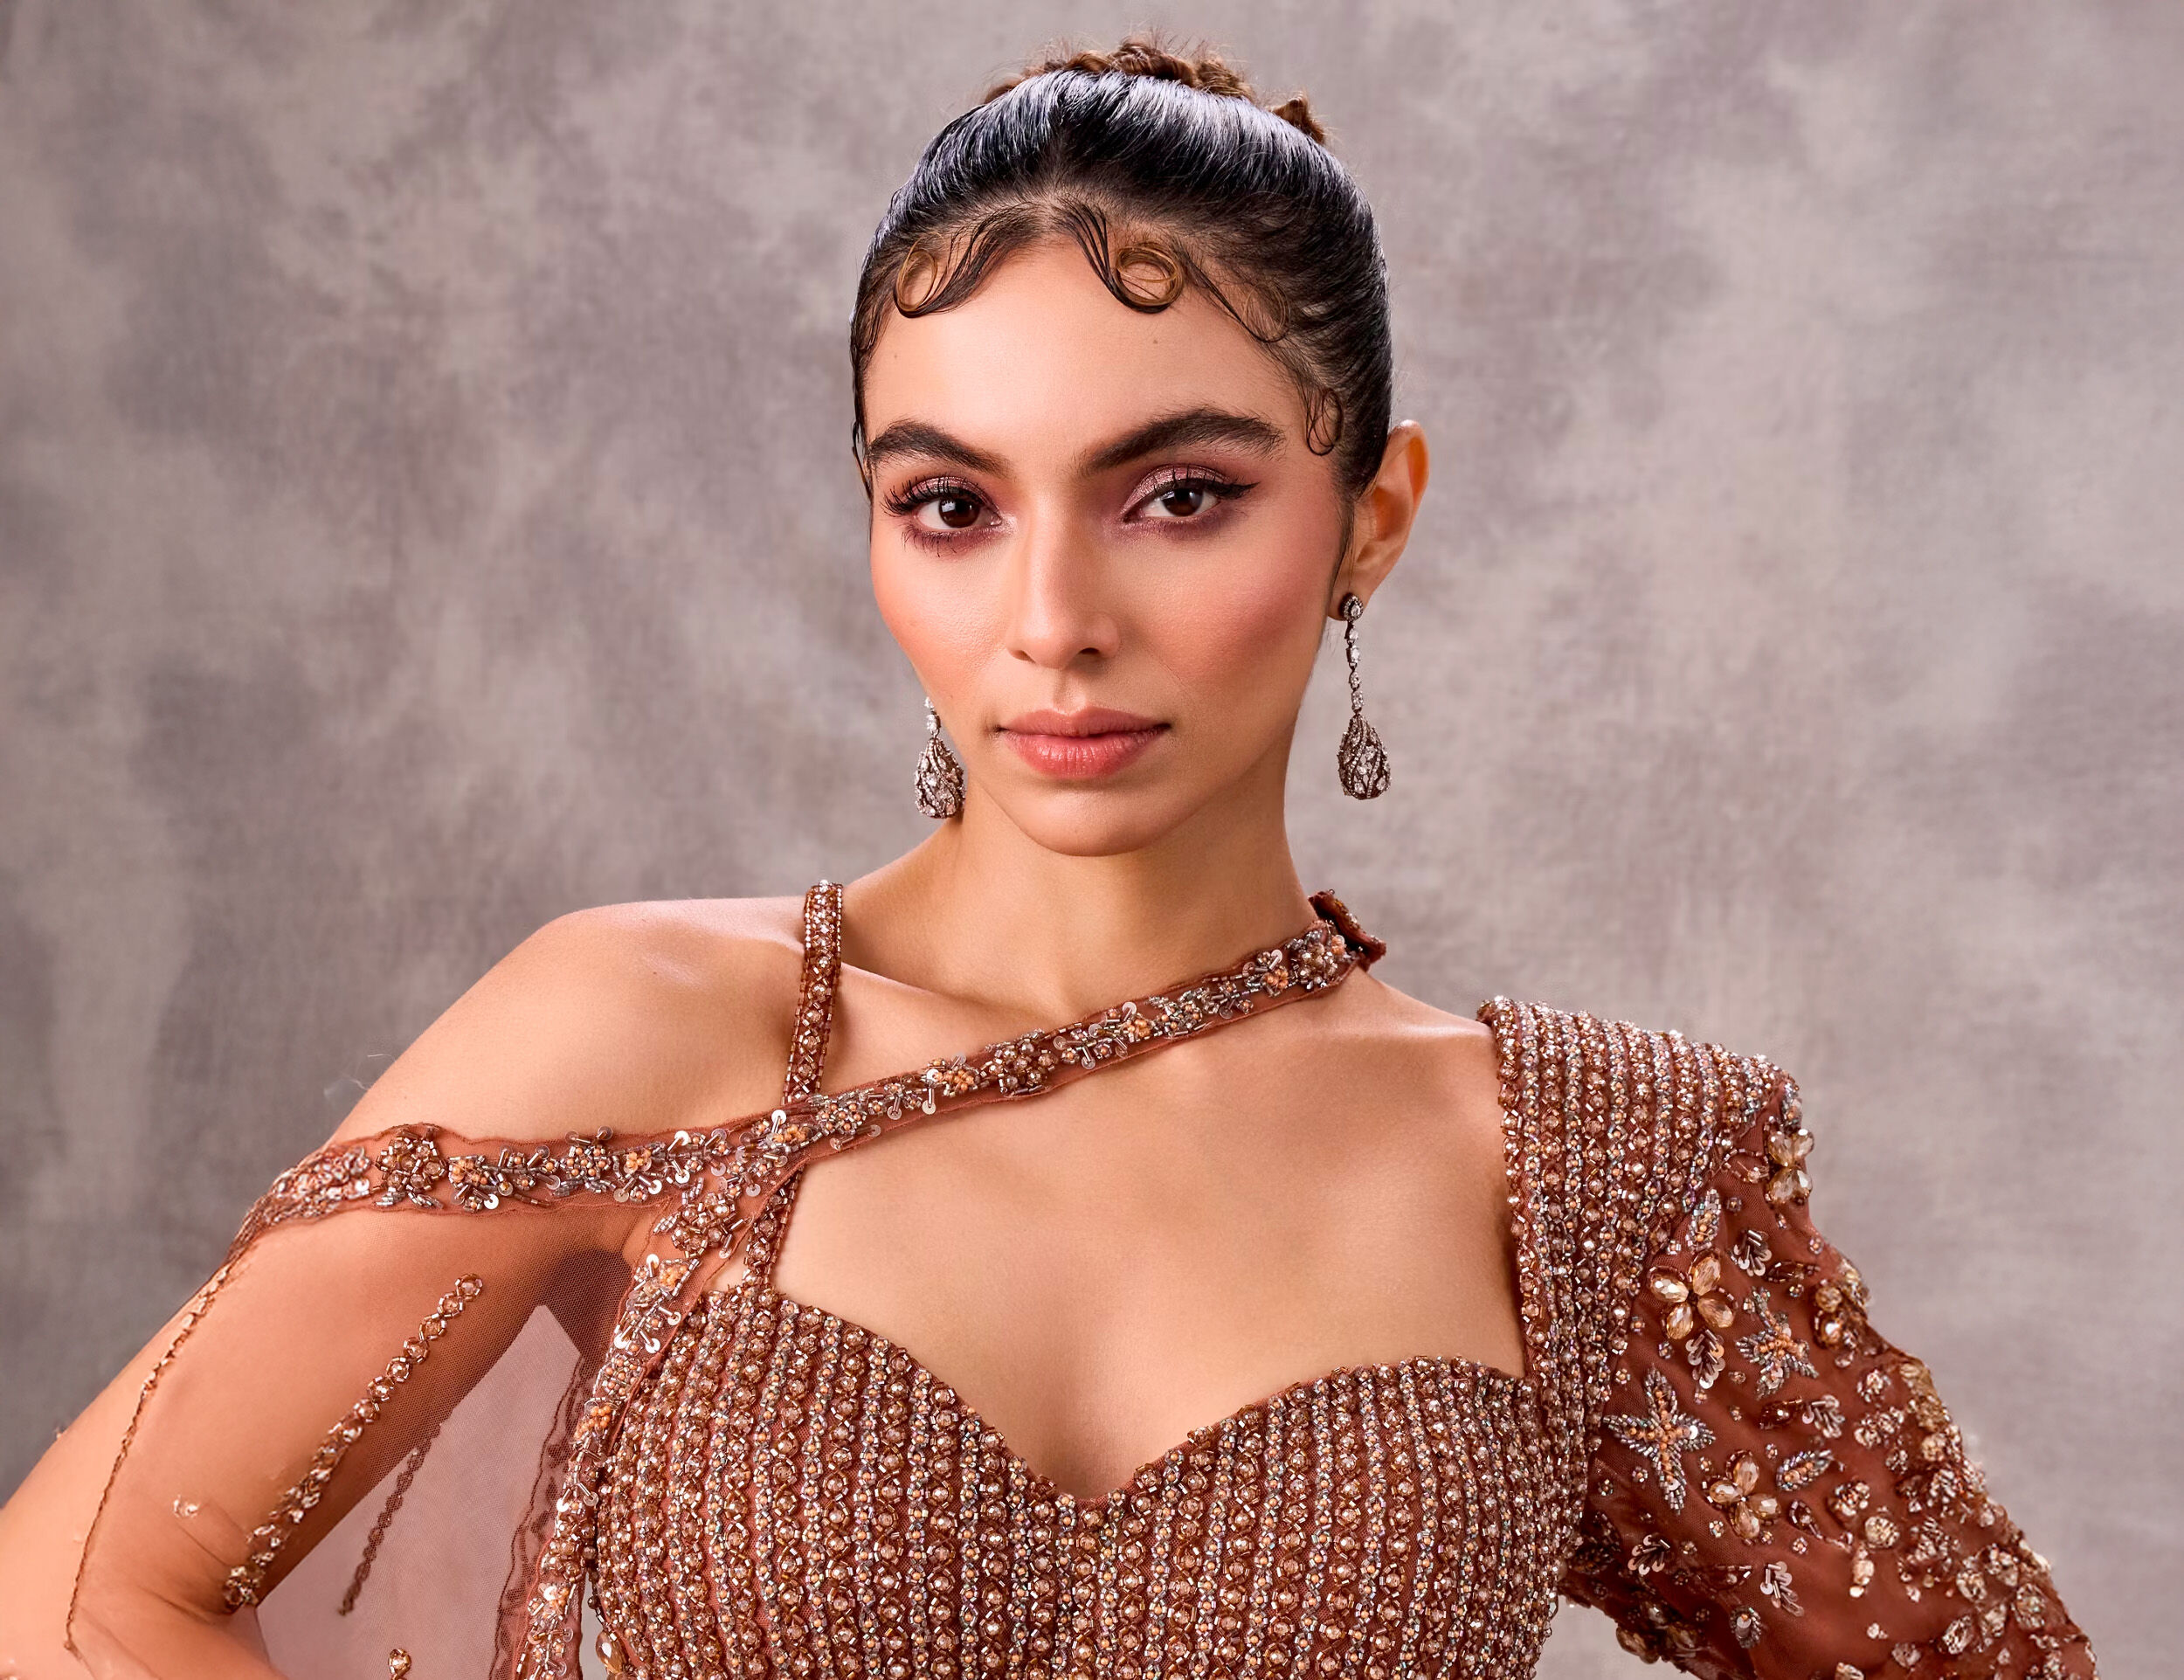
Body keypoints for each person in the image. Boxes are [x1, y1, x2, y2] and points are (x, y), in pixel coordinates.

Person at [0, 39, 2096, 1680]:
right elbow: (74, 1600)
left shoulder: (1583, 1161)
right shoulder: (653, 1036)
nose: (1050, 618)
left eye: (1175, 494)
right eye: (949, 503)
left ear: (1368, 517)